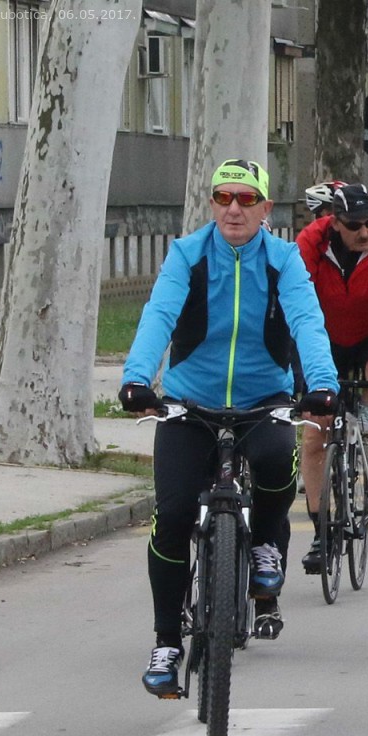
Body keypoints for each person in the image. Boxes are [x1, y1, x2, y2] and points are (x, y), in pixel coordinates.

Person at [120, 158, 339, 695]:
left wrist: (322, 385)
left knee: (276, 461)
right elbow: (159, 316)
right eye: (223, 197)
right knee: (173, 515)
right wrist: (136, 379)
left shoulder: (284, 260)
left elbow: (307, 322)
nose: (234, 208)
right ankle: (166, 642)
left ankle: (265, 543)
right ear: (212, 204)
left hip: (264, 399)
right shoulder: (187, 255)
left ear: (266, 209)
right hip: (189, 403)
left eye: (246, 199)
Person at [294, 184, 368, 571]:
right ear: (334, 223)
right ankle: (320, 532)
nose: (365, 232)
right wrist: (301, 370)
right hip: (322, 336)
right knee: (316, 432)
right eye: (355, 225)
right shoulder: (310, 241)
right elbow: (298, 302)